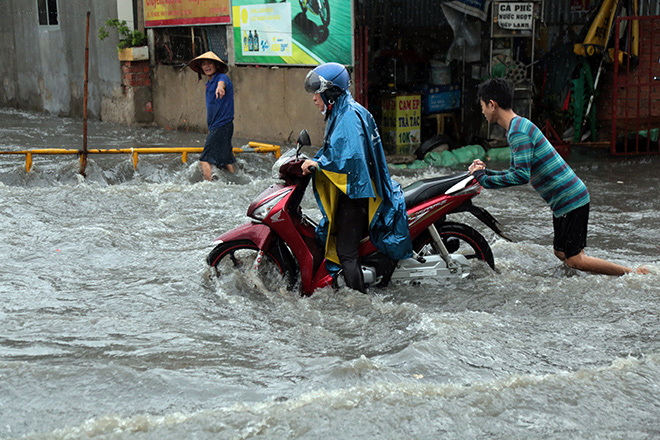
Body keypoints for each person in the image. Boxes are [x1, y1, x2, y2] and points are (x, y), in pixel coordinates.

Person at [469, 77, 648, 276]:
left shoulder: (518, 132)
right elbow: (518, 171)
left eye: (482, 106)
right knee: (561, 253)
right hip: (564, 201)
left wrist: (483, 178)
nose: (483, 111)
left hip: (571, 199)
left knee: (575, 260)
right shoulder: (518, 126)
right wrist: (484, 173)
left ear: (492, 105)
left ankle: (632, 273)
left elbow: (520, 176)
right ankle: (582, 282)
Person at [300, 62, 412, 293]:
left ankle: (360, 304)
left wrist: (318, 164)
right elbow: (337, 150)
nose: (314, 99)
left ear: (331, 94)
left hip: (357, 193)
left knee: (346, 254)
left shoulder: (348, 115)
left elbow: (351, 159)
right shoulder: (343, 110)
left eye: (318, 94)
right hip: (356, 189)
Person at [188, 51, 235, 180]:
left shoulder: (222, 78)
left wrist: (220, 88)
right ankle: (235, 182)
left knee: (205, 160)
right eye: (204, 64)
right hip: (219, 126)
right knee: (226, 161)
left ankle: (208, 186)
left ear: (216, 66)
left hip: (221, 126)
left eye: (210, 63)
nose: (206, 66)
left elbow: (222, 82)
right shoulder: (208, 84)